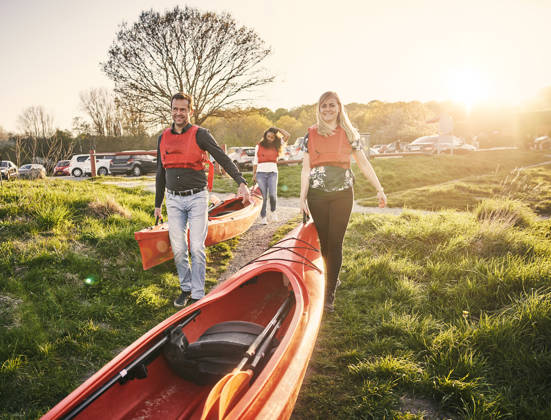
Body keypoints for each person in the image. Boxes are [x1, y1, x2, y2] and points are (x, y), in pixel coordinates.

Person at [155, 92, 251, 307]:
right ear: (170, 110)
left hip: (197, 197)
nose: (178, 113)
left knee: (196, 246)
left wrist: (241, 182)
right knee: (178, 247)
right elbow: (160, 172)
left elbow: (222, 157)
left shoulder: (201, 134)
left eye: (183, 109)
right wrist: (157, 204)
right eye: (175, 109)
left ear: (190, 111)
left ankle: (198, 294)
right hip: (173, 200)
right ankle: (185, 288)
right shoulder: (162, 138)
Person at [299, 91, 387, 312]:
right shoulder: (310, 134)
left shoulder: (349, 133)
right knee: (325, 243)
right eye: (323, 106)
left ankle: (329, 294)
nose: (327, 109)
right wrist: (302, 198)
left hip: (342, 194)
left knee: (335, 242)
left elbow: (364, 164)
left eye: (331, 105)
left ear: (339, 108)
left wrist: (379, 189)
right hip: (317, 195)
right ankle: (332, 277)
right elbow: (306, 169)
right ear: (318, 109)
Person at [252, 127, 290, 224]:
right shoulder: (259, 146)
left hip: (273, 173)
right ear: (265, 136)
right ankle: (263, 216)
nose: (270, 138)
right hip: (260, 173)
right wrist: (254, 175)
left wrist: (277, 129)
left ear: (275, 138)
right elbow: (255, 161)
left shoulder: (277, 145)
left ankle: (273, 212)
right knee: (263, 196)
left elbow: (287, 135)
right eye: (268, 136)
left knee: (273, 195)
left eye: (272, 137)